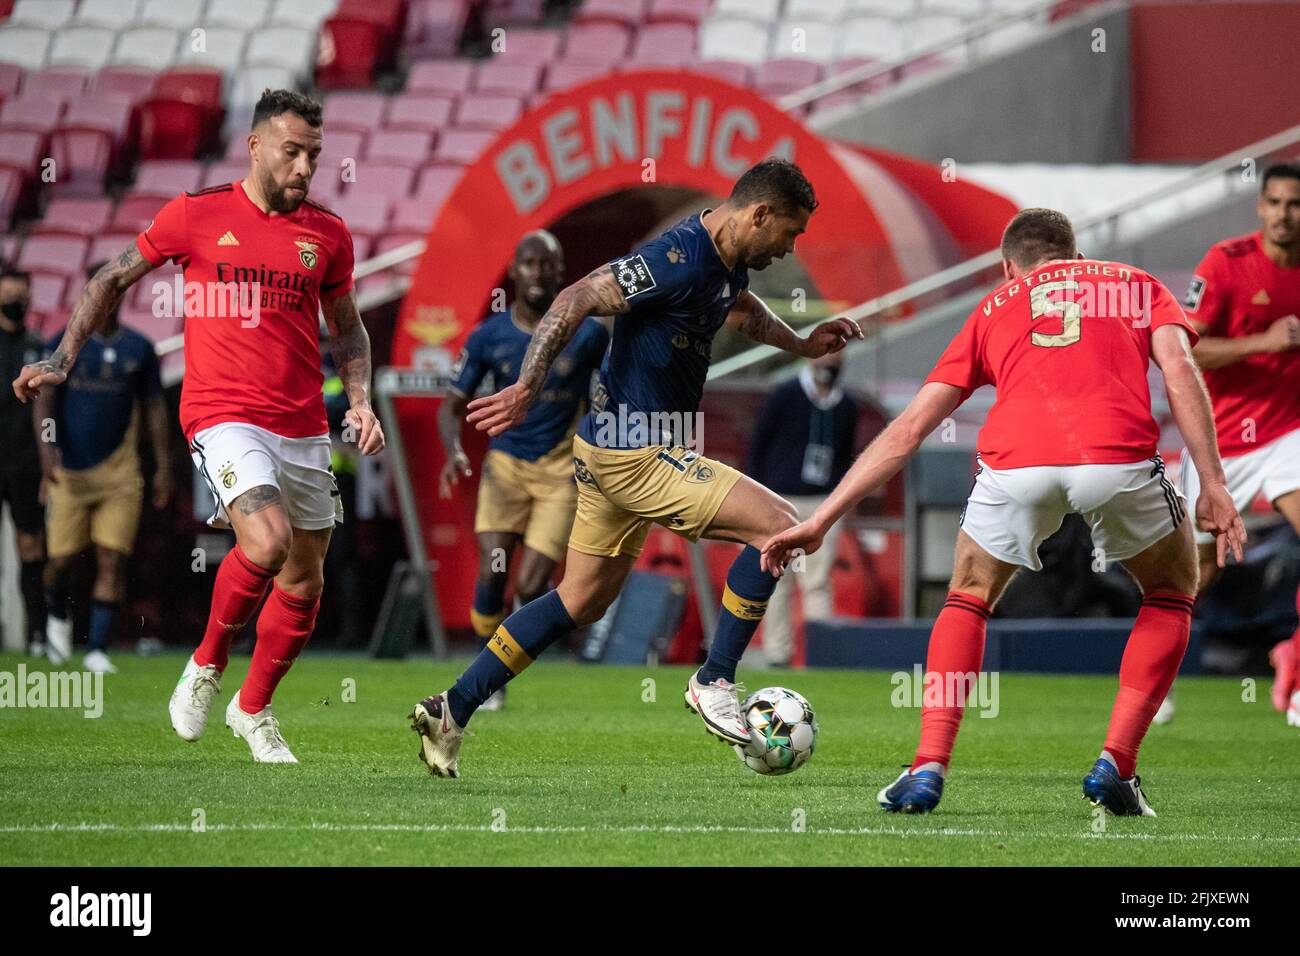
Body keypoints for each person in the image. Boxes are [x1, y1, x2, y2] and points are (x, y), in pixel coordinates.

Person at [762, 208, 1245, 817]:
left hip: (1016, 464)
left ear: (1007, 266)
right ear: (1074, 254)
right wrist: (1213, 482)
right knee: (1173, 588)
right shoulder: (1134, 283)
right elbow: (1179, 370)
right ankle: (1115, 765)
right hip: (1114, 458)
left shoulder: (994, 307)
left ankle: (927, 767)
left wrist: (822, 518)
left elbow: (909, 429)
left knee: (968, 595)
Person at [410, 158, 862, 777]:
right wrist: (526, 385)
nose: (789, 248)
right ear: (759, 214)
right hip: (637, 450)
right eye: (790, 232)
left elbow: (744, 311)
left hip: (613, 450)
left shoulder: (726, 266)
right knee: (781, 525)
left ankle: (452, 708)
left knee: (580, 599)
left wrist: (804, 343)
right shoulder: (677, 256)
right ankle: (715, 679)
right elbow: (577, 297)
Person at [12, 89, 385, 763]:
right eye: (292, 151)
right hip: (221, 413)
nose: (304, 167)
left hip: (301, 423)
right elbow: (110, 277)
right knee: (266, 544)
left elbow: (350, 329)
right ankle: (206, 666)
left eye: (315, 155)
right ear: (256, 145)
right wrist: (64, 358)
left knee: (305, 580)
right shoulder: (196, 214)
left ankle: (254, 709)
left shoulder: (327, 234)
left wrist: (358, 400)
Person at [438, 230, 608, 710]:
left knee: (533, 586)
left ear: (560, 271)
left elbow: (607, 396)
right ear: (514, 271)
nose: (538, 272)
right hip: (506, 467)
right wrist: (454, 451)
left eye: (547, 264)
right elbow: (451, 405)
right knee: (494, 574)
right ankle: (483, 669)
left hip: (560, 471)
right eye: (529, 263)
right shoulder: (489, 335)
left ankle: (496, 668)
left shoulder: (589, 331)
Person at [1163, 162, 1300, 727]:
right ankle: (1152, 680)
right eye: (1275, 203)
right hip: (1221, 440)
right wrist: (1262, 341)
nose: (1285, 215)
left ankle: (1293, 667)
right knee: (1197, 573)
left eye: (1295, 204)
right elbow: (1187, 350)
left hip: (1289, 432)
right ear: (1260, 207)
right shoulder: (1226, 263)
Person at [35, 261, 173, 674]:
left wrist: (163, 466)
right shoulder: (64, 343)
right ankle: (57, 618)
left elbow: (154, 409)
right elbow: (43, 398)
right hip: (68, 472)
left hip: (120, 473)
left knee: (112, 558)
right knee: (60, 562)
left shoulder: (140, 349)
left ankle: (97, 648)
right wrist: (47, 452)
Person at [747, 352, 860, 666]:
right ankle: (777, 654)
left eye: (838, 356)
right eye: (826, 354)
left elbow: (846, 457)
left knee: (818, 580)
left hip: (823, 502)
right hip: (780, 499)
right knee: (777, 578)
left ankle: (819, 656)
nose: (832, 362)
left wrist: (841, 501)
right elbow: (758, 447)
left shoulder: (847, 405)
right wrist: (755, 499)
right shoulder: (784, 396)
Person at [0, 264, 47, 659]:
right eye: (9, 296)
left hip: (26, 464)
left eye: (20, 296)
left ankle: (36, 636)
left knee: (31, 548)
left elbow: (48, 414)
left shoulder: (39, 349)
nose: (15, 302)